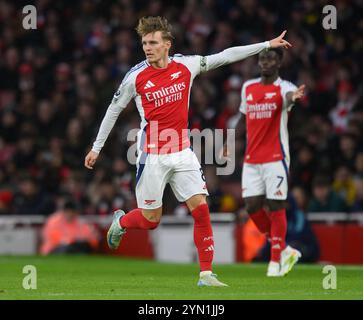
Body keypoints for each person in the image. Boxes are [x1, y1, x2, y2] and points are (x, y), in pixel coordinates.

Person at [84, 16, 292, 286]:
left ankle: (206, 274)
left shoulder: (186, 65)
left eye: (153, 43)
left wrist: (266, 43)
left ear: (167, 44)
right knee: (151, 221)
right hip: (152, 155)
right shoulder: (135, 78)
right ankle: (122, 223)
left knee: (201, 209)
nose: (147, 47)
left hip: (182, 152)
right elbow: (113, 110)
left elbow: (225, 56)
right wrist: (96, 148)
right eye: (144, 43)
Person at [222, 47, 305, 277]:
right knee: (251, 206)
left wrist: (294, 98)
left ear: (279, 63)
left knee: (276, 205)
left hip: (276, 157)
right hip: (252, 158)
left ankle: (275, 260)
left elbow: (289, 97)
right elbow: (242, 116)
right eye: (262, 58)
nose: (265, 62)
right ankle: (286, 249)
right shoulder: (248, 87)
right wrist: (230, 141)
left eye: (270, 58)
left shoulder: (285, 88)